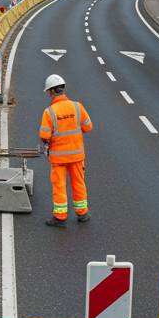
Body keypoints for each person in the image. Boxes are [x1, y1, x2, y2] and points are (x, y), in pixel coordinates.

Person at [38, 73, 93, 227]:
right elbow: (88, 127)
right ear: (63, 89)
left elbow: (44, 135)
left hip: (58, 159)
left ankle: (60, 217)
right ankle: (82, 214)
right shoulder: (77, 106)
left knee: (59, 186)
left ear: (50, 92)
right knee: (78, 184)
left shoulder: (49, 112)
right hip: (77, 156)